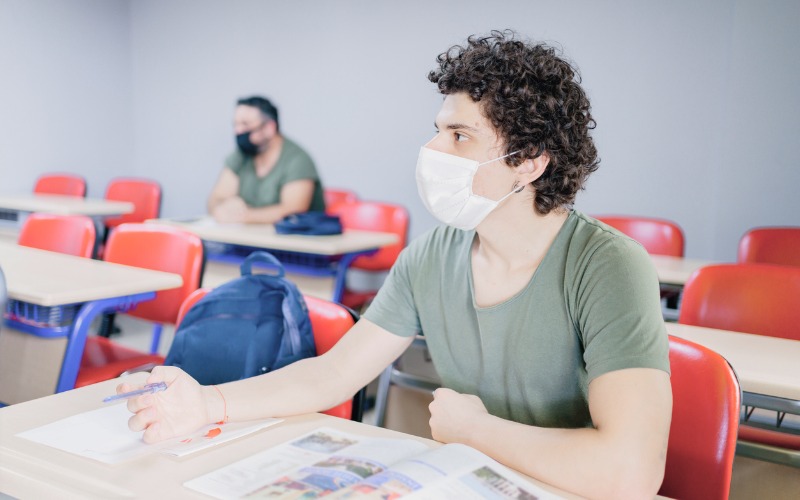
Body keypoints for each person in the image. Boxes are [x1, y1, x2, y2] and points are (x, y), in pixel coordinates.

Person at [123, 31, 672, 499]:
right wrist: (206, 403)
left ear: (527, 163)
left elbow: (632, 471)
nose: (433, 150)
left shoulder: (608, 267)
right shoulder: (433, 256)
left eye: (459, 136)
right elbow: (334, 373)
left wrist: (476, 431)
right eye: (438, 130)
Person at [207, 96, 326, 223]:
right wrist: (222, 208)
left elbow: (293, 210)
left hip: (293, 241)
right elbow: (215, 199)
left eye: (245, 124)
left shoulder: (298, 160)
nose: (238, 131)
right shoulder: (241, 156)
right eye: (235, 124)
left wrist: (244, 215)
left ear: (270, 128)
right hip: (247, 239)